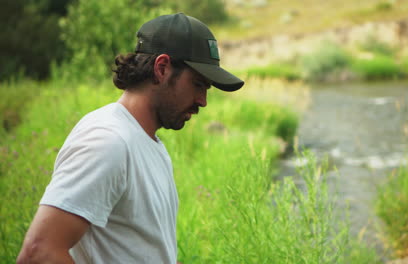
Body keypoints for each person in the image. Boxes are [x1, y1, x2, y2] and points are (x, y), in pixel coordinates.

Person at [16, 13, 244, 264]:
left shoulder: (149, 144)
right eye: (198, 84)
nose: (203, 101)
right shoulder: (108, 141)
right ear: (162, 68)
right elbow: (39, 253)